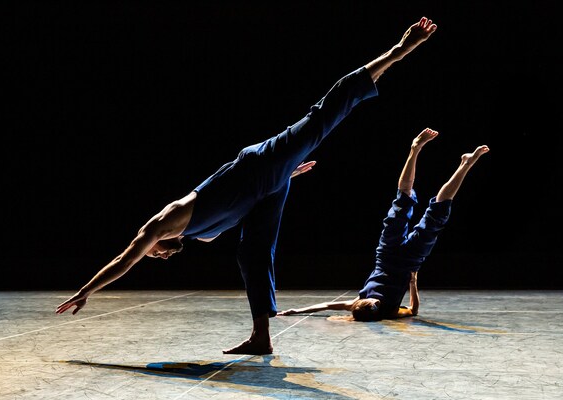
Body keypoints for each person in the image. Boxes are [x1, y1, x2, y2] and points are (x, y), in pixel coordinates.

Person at [55, 17, 438, 355]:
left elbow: (125, 260)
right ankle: (261, 337)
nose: (156, 255)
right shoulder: (201, 235)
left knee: (325, 113)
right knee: (253, 254)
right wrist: (285, 175)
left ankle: (400, 49)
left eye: (152, 254)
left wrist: (87, 290)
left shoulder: (165, 221)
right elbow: (236, 198)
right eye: (157, 257)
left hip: (260, 164)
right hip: (268, 185)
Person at [278, 128, 490, 321]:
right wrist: (413, 283)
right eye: (376, 306)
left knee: (403, 199)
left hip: (387, 254)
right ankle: (466, 164)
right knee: (438, 212)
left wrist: (296, 310)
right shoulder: (389, 310)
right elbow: (413, 310)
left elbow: (325, 306)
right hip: (410, 261)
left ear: (362, 304)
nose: (375, 302)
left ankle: (415, 149)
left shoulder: (356, 303)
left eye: (370, 304)